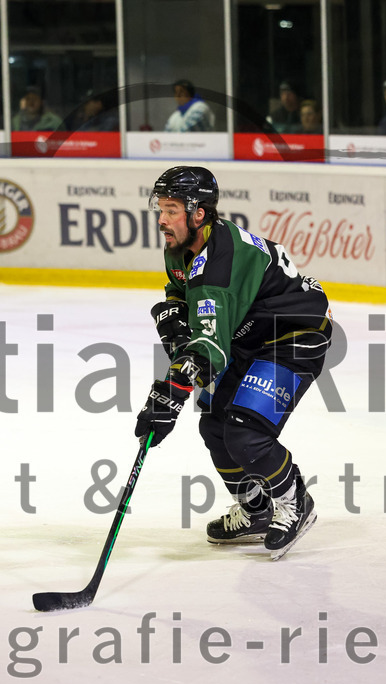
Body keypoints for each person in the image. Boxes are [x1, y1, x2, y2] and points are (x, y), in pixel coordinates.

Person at [134, 166, 332, 559]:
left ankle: (294, 502)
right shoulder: (181, 248)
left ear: (199, 213)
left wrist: (169, 396)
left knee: (245, 432)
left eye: (171, 210)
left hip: (294, 338)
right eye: (161, 208)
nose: (161, 220)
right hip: (249, 338)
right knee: (215, 425)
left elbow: (210, 349)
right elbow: (180, 292)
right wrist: (174, 313)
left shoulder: (219, 267)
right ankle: (256, 510)